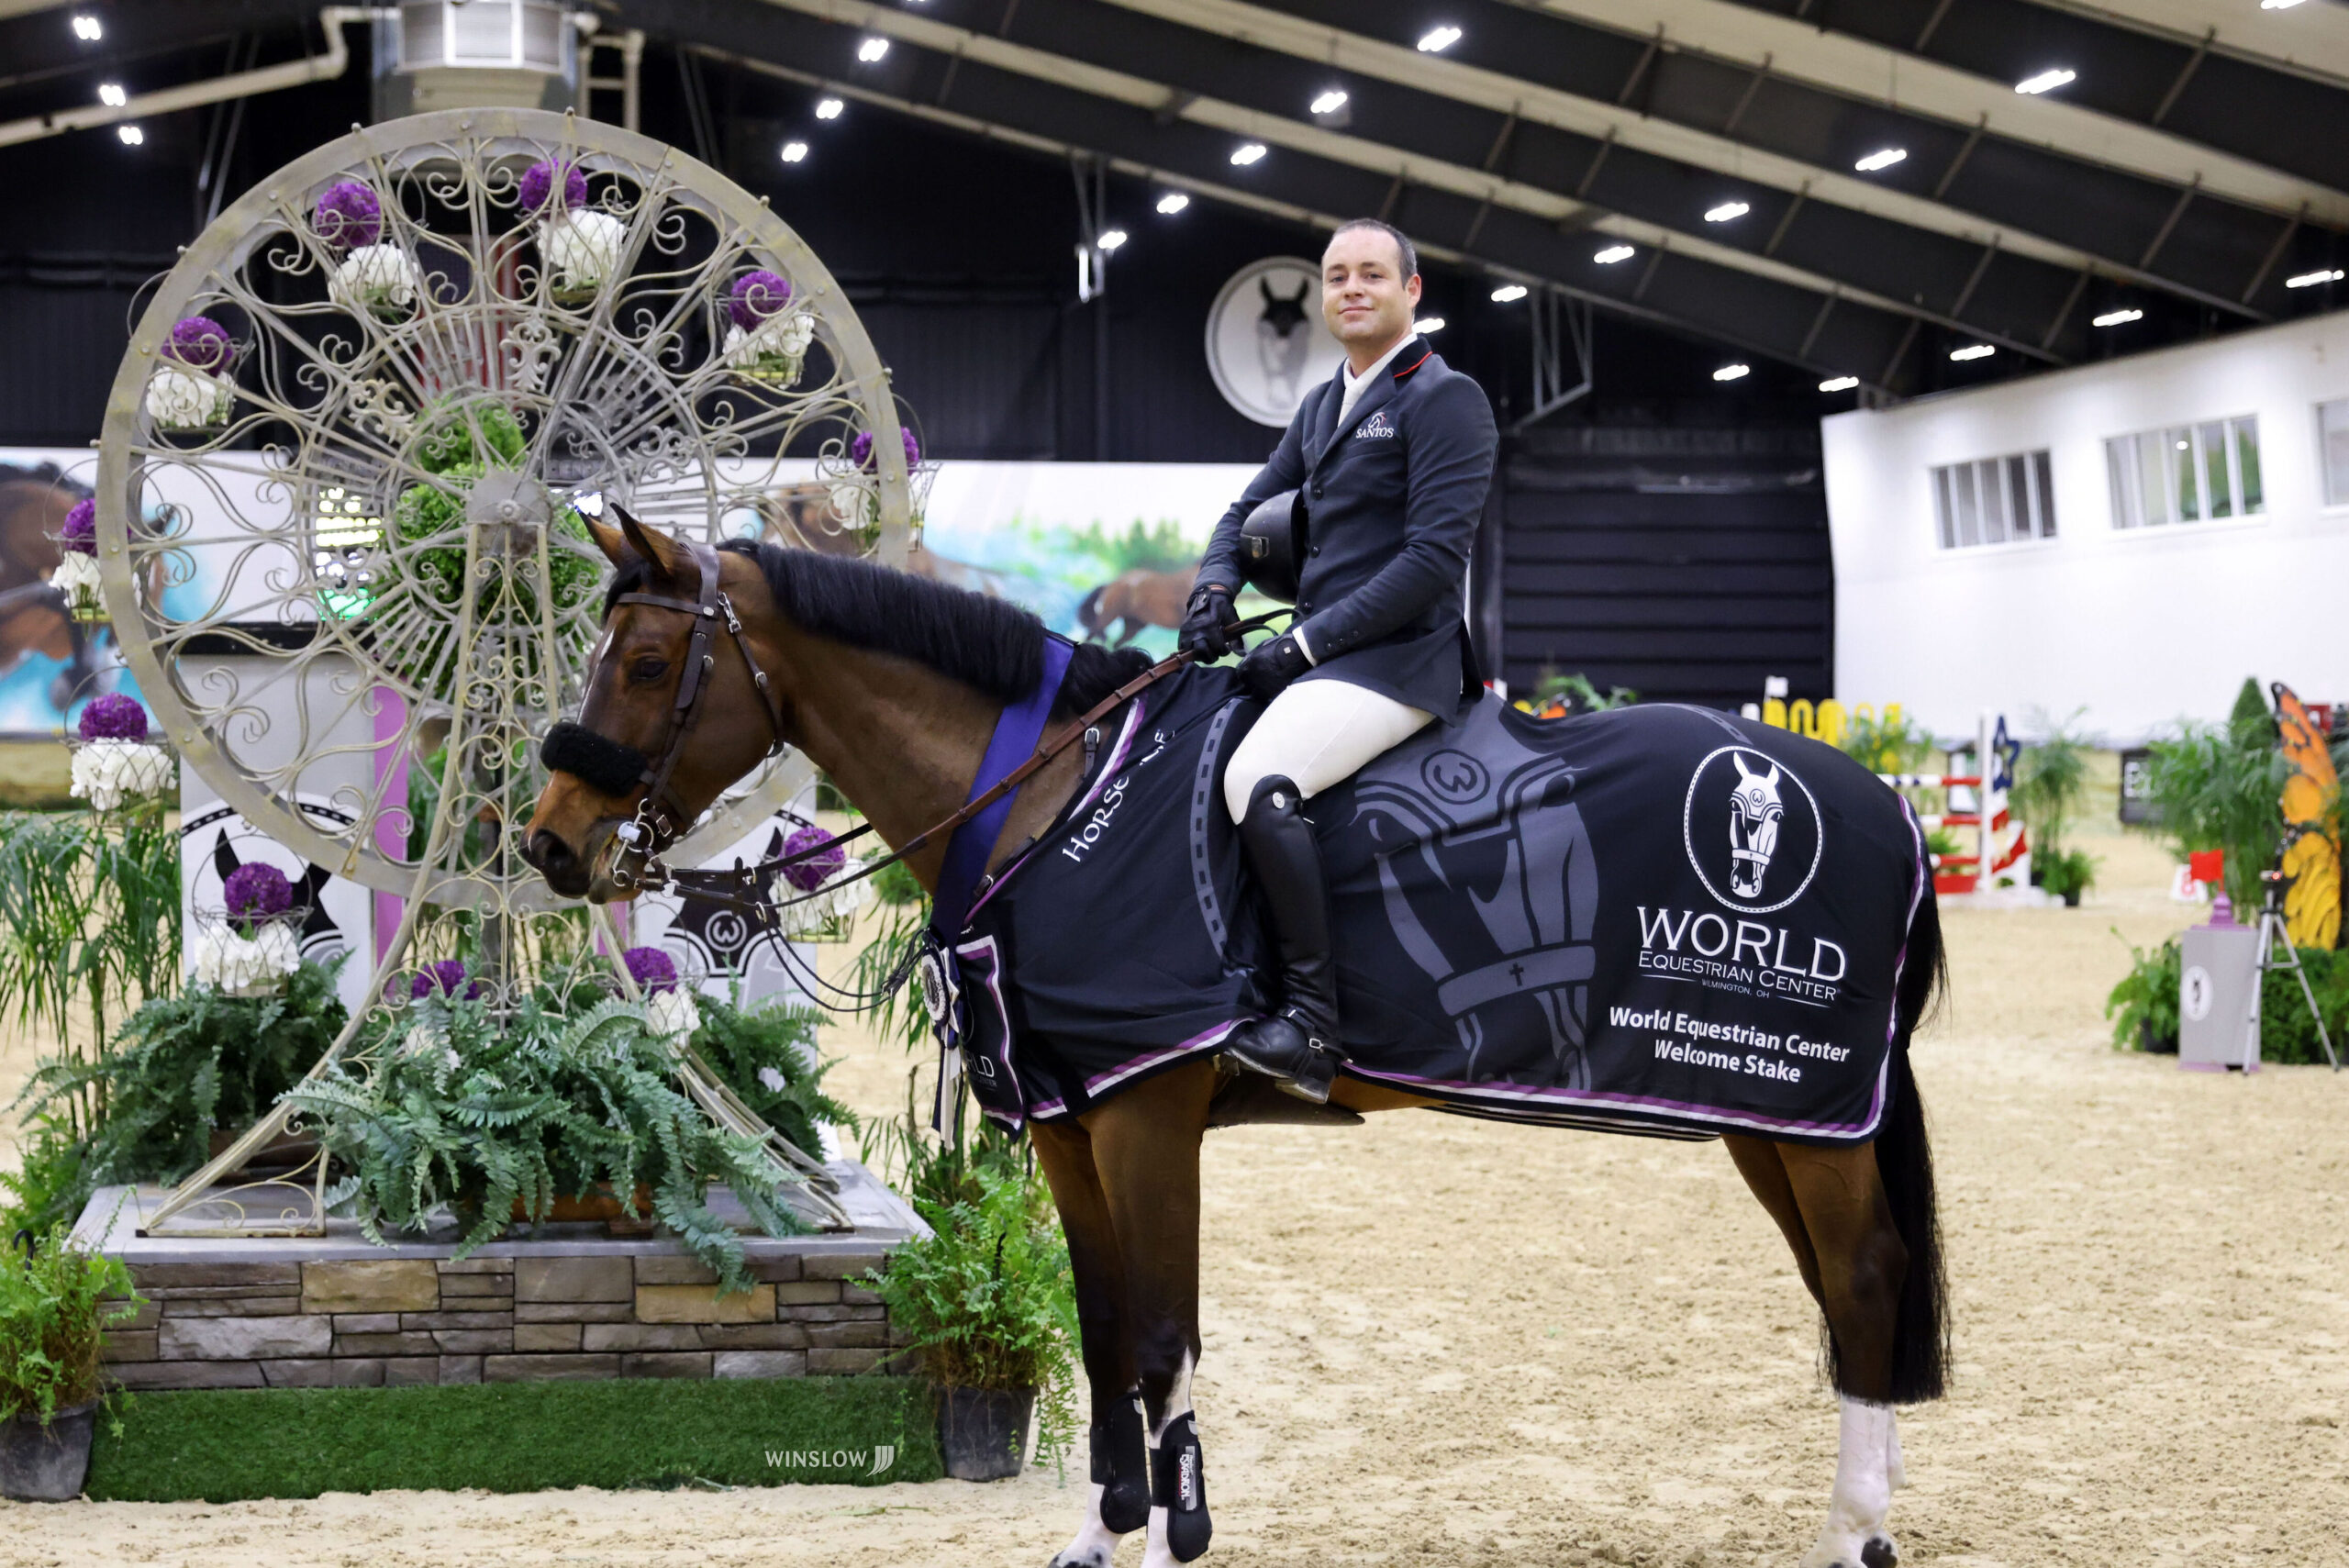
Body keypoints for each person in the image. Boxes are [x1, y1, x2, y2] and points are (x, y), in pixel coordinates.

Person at [1182, 218, 1499, 1102]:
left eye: (1370, 274)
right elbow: (1243, 510)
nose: (1351, 288)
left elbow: (1432, 563)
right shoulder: (1325, 405)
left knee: (1258, 776)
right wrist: (1213, 591)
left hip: (1398, 662)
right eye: (1336, 277)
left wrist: (1304, 643)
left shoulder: (1445, 399)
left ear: (1411, 290)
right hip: (1325, 658)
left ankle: (1313, 1025)